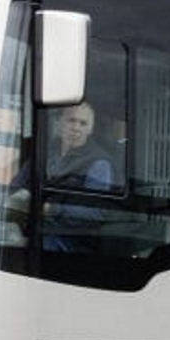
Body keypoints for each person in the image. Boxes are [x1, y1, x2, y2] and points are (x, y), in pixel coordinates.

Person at [41, 101, 116, 252]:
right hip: (38, 228)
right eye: (71, 120)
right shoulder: (45, 150)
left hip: (72, 242)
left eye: (83, 123)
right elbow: (20, 182)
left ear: (90, 129)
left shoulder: (99, 162)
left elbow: (96, 213)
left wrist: (52, 209)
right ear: (61, 122)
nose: (76, 128)